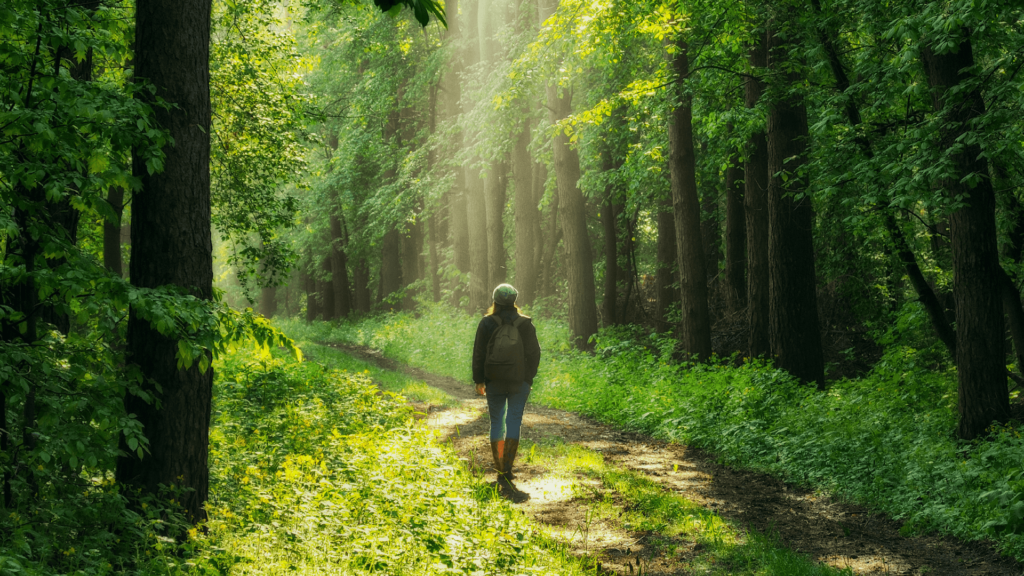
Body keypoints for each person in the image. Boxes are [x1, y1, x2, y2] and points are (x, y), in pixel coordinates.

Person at [472, 283, 541, 486]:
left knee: (496, 422)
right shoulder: (525, 324)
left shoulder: (486, 323)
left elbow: (479, 354)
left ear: (495, 301)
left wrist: (479, 380)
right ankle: (508, 468)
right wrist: (528, 378)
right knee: (513, 420)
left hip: (493, 380)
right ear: (514, 301)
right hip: (519, 381)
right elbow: (534, 354)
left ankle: (499, 466)